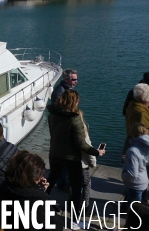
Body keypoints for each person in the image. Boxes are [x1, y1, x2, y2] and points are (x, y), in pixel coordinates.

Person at [47, 90, 105, 220]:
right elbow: (81, 144)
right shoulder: (75, 119)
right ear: (75, 101)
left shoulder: (52, 115)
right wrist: (97, 152)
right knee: (76, 188)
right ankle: (75, 218)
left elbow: (53, 134)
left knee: (51, 180)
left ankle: (40, 203)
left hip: (55, 153)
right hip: (71, 158)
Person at [0, 151, 65, 231]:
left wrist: (39, 189)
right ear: (34, 176)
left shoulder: (5, 186)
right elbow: (57, 226)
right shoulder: (38, 199)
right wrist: (41, 192)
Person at [121, 122, 149, 203]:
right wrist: (128, 160)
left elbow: (132, 174)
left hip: (135, 184)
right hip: (144, 182)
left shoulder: (132, 150)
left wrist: (123, 176)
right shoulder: (147, 147)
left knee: (134, 211)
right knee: (142, 207)